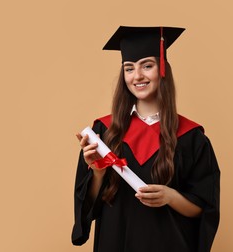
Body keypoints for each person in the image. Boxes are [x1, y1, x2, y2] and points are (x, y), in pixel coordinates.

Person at [72, 26, 220, 252]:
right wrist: (98, 172)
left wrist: (171, 197)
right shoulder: (104, 132)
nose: (137, 76)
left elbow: (204, 208)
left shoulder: (191, 138)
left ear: (162, 70)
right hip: (115, 244)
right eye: (129, 68)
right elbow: (90, 208)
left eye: (147, 65)